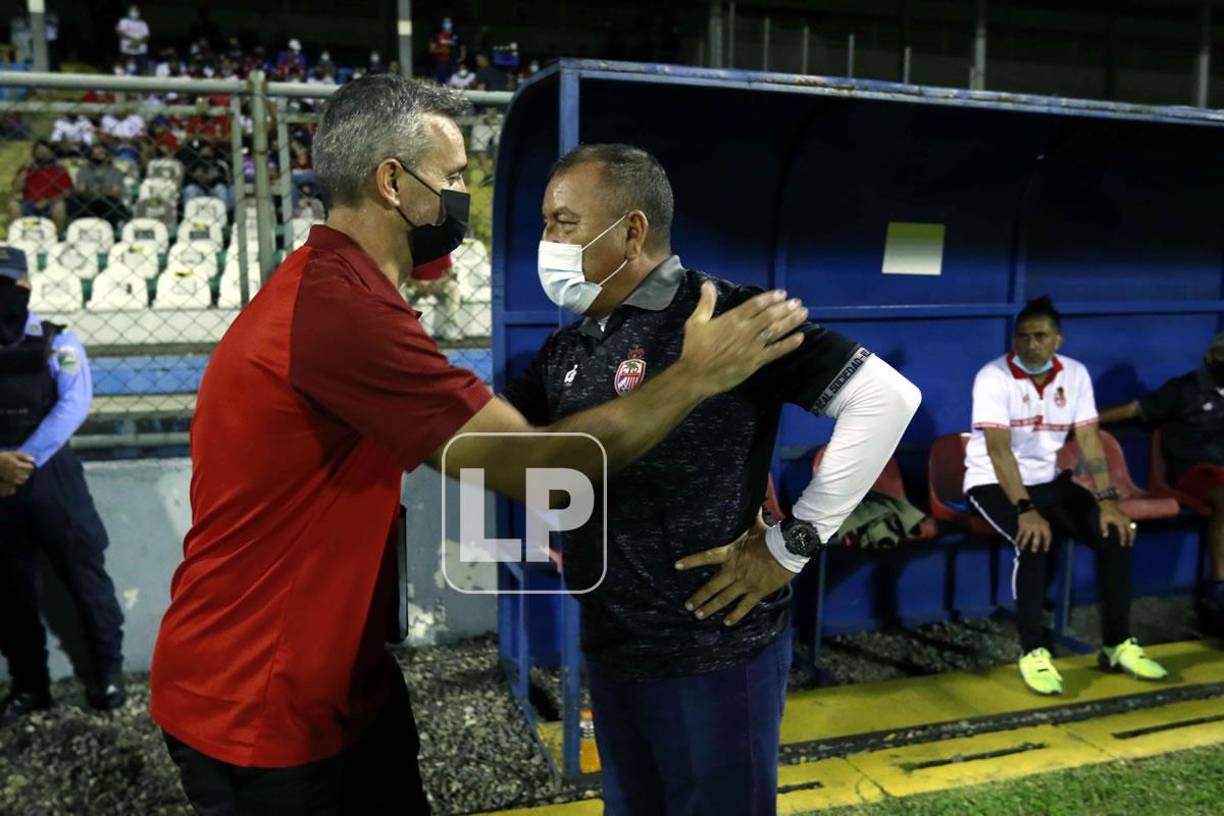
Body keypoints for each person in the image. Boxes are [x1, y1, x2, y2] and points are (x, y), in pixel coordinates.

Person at [149, 75, 806, 814]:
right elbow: (547, 468)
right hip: (261, 701)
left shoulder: (337, 292)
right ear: (393, 183)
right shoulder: (340, 315)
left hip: (334, 680)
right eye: (454, 178)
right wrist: (696, 375)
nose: (464, 200)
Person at [498, 143, 920, 815]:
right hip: (613, 644)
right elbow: (493, 437)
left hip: (713, 651)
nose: (546, 240)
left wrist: (789, 547)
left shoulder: (726, 314)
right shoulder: (569, 346)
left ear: (631, 231)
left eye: (563, 222)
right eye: (547, 223)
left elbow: (885, 400)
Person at [965, 296, 1167, 696]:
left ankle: (1115, 644)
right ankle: (1033, 651)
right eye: (1022, 336)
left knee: (1117, 533)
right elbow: (998, 449)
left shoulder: (1074, 374)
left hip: (1049, 479)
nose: (1030, 344)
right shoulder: (993, 376)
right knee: (1035, 542)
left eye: (1040, 336)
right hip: (992, 482)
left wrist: (1107, 499)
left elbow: (1090, 439)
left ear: (1058, 340)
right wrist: (1025, 509)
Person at [0, 247, 126, 728]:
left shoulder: (59, 341)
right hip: (3, 477)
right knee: (9, 591)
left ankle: (106, 675)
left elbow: (74, 406)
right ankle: (30, 686)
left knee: (85, 575)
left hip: (49, 475)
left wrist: (18, 462)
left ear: (27, 287)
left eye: (7, 284)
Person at [1099, 332, 1224, 629]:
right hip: (1195, 470)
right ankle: (1220, 587)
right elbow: (1135, 409)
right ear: (1210, 358)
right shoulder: (1184, 390)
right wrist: (1083, 420)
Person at [8, 140, 72, 234]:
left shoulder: (59, 169)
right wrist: (25, 170)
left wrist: (48, 201)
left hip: (52, 203)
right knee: (14, 205)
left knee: (59, 206)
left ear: (51, 152)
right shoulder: (26, 169)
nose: (41, 152)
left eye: (45, 150)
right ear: (34, 153)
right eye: (39, 150)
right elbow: (16, 189)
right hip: (28, 203)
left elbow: (68, 192)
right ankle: (16, 234)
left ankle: (58, 235)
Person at [68, 144, 131, 228]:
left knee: (113, 204)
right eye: (95, 154)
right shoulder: (84, 170)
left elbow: (115, 193)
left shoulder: (116, 172)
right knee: (75, 202)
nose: (98, 157)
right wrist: (104, 190)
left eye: (101, 154)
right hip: (88, 201)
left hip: (108, 202)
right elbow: (80, 189)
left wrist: (93, 189)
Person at [115, 5, 150, 75]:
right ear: (129, 12)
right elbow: (120, 33)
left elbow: (146, 36)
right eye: (132, 10)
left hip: (140, 52)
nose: (134, 12)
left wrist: (137, 42)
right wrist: (133, 39)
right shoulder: (124, 21)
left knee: (143, 72)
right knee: (120, 70)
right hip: (126, 51)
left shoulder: (143, 23)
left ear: (138, 12)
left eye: (136, 11)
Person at [429, 16, 461, 84]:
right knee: (441, 83)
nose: (448, 24)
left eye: (449, 22)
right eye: (446, 22)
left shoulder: (456, 35)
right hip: (441, 63)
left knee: (454, 83)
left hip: (453, 63)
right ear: (442, 24)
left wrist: (461, 58)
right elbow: (431, 50)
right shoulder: (436, 35)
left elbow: (462, 47)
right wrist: (441, 50)